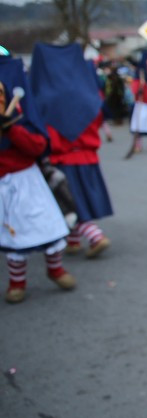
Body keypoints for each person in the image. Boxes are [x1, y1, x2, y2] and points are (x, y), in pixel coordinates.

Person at [0, 53, 76, 303]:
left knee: (46, 226)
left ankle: (55, 269)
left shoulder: (20, 119)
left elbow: (37, 147)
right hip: (3, 186)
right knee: (12, 235)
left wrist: (11, 129)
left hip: (27, 181)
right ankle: (17, 282)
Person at [30, 43, 113, 258]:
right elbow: (98, 117)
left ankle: (94, 235)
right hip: (87, 155)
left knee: (70, 201)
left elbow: (44, 133)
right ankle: (74, 241)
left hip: (63, 157)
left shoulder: (46, 96)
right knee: (79, 198)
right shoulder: (86, 92)